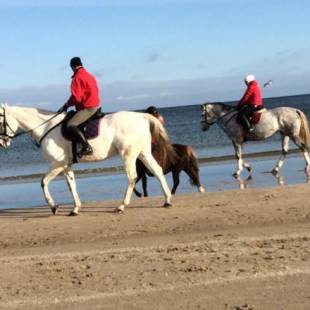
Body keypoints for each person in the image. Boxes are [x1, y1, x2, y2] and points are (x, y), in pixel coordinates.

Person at [58, 57, 100, 157]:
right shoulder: (90, 75)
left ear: (72, 67)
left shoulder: (77, 78)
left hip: (88, 107)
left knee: (70, 125)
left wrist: (66, 105)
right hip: (94, 105)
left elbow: (76, 98)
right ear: (81, 64)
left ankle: (86, 146)